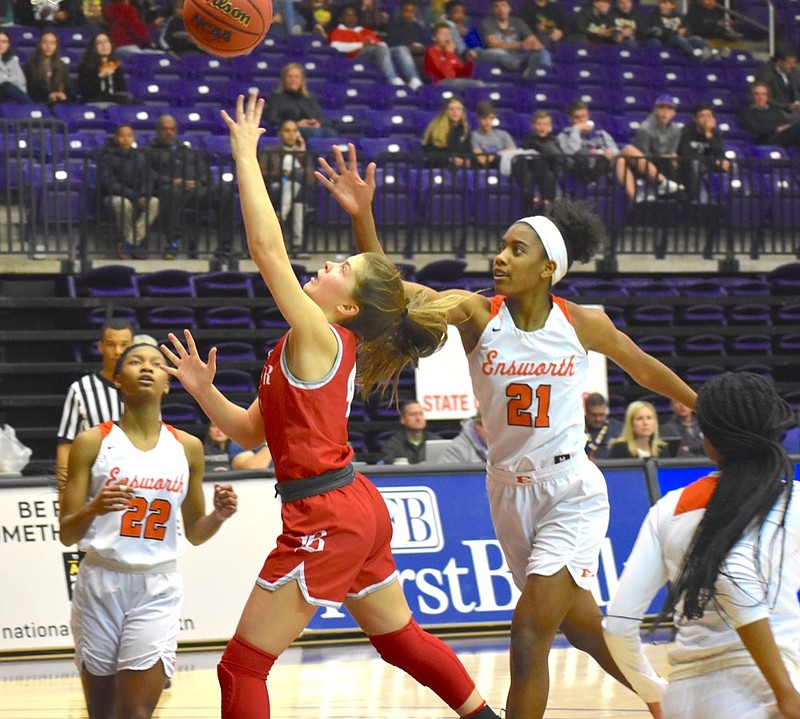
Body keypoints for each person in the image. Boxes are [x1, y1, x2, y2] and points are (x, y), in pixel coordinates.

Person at [318, 142, 697, 719]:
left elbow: (643, 367)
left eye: (516, 250)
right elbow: (396, 301)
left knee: (526, 639)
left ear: (548, 269)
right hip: (508, 493)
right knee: (586, 630)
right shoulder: (476, 313)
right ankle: (670, 704)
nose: (501, 257)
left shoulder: (583, 322)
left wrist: (700, 406)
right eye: (501, 246)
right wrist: (360, 216)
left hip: (570, 493)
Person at [160, 91, 501, 719]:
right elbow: (247, 432)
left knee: (241, 666)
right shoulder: (308, 341)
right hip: (352, 504)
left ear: (347, 307)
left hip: (325, 515)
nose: (323, 264)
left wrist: (244, 151)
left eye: (338, 266)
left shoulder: (319, 336)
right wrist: (204, 391)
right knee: (400, 641)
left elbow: (267, 251)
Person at [602, 372, 800, 719]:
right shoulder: (792, 502)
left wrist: (654, 692)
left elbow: (618, 625)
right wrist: (786, 693)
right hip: (765, 692)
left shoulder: (669, 508)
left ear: (707, 439)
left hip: (683, 696)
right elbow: (734, 575)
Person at [59, 342, 238, 719]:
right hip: (100, 583)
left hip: (156, 586)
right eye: (135, 362)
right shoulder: (92, 442)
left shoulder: (187, 447)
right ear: (118, 379)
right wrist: (95, 507)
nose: (146, 368)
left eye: (157, 364)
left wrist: (218, 516)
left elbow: (194, 531)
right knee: (102, 713)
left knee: (135, 712)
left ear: (167, 384)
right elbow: (67, 533)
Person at [56, 319, 135, 489]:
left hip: (139, 483)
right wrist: (63, 491)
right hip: (92, 486)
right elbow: (65, 444)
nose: (117, 351)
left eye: (124, 345)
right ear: (100, 347)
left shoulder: (144, 388)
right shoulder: (81, 389)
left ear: (133, 346)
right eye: (111, 344)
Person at [146, 113, 234, 260]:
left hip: (194, 191)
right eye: (165, 129)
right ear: (157, 131)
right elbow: (148, 174)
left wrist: (198, 183)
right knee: (170, 191)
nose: (169, 132)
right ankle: (173, 242)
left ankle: (225, 246)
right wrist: (174, 181)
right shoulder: (150, 151)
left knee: (223, 192)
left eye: (172, 129)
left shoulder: (187, 150)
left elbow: (205, 172)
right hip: (168, 191)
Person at [557, 99, 682, 201]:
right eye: (577, 118)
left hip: (602, 165)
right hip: (582, 169)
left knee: (622, 157)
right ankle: (662, 182)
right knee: (625, 152)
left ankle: (634, 201)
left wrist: (611, 153)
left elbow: (614, 149)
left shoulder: (600, 133)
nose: (582, 121)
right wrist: (576, 130)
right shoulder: (564, 136)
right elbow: (573, 153)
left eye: (584, 116)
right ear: (570, 119)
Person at [100, 124, 160, 260]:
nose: (125, 139)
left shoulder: (141, 157)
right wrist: (135, 197)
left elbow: (148, 179)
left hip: (138, 196)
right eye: (122, 136)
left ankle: (129, 243)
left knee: (155, 202)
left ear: (133, 138)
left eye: (129, 136)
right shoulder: (107, 157)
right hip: (113, 196)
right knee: (123, 203)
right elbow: (110, 183)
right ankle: (134, 244)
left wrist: (144, 195)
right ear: (116, 138)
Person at [328, 4, 423, 89]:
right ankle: (393, 79)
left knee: (401, 48)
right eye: (347, 15)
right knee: (380, 49)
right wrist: (362, 45)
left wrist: (374, 45)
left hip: (376, 53)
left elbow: (383, 44)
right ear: (341, 18)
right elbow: (336, 46)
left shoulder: (365, 31)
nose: (351, 18)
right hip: (357, 56)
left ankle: (414, 79)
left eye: (353, 15)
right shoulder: (338, 31)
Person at [258, 118, 313, 258]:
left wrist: (301, 155)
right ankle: (297, 245)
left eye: (295, 131)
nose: (291, 134)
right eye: (287, 131)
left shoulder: (303, 154)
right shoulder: (270, 151)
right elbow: (262, 173)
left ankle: (282, 218)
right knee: (296, 179)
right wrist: (284, 174)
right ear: (280, 134)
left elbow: (311, 180)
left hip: (296, 192)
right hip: (276, 187)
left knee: (299, 199)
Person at [479, 0, 551, 79]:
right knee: (498, 52)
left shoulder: (518, 22)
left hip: (517, 55)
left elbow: (534, 41)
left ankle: (543, 77)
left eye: (504, 5)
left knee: (544, 53)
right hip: (499, 56)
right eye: (497, 6)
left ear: (509, 8)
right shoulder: (487, 23)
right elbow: (493, 45)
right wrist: (520, 45)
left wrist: (535, 46)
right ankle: (523, 68)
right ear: (492, 10)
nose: (501, 10)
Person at [264, 63, 336, 139]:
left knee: (330, 132)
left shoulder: (309, 97)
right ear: (284, 80)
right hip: (290, 129)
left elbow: (319, 116)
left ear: (302, 80)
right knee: (314, 133)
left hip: (312, 128)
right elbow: (271, 118)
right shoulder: (276, 97)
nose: (293, 80)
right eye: (289, 76)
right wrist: (295, 124)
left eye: (296, 77)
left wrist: (318, 123)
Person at [677, 101, 731, 200]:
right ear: (695, 119)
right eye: (702, 116)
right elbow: (688, 154)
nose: (706, 119)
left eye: (709, 116)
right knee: (696, 164)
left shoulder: (715, 133)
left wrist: (708, 134)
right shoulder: (686, 131)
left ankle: (722, 202)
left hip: (708, 167)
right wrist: (713, 162)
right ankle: (696, 201)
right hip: (688, 169)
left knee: (731, 165)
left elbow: (720, 154)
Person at [514, 109, 567, 209]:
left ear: (550, 127)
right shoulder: (527, 141)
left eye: (546, 124)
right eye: (539, 124)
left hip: (552, 174)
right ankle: (535, 198)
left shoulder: (554, 142)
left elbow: (561, 159)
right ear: (533, 126)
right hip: (533, 177)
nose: (542, 127)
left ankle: (554, 200)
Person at [630, 94, 682, 183]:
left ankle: (679, 190)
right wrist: (663, 158)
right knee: (666, 162)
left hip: (666, 164)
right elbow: (643, 157)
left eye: (669, 109)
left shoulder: (675, 130)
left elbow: (672, 152)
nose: (665, 112)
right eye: (661, 107)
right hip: (647, 164)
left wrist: (673, 158)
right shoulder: (645, 128)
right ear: (655, 110)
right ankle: (678, 191)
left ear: (674, 113)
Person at [640, 0, 715, 62]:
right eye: (662, 4)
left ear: (672, 6)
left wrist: (685, 31)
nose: (664, 6)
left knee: (696, 38)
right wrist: (676, 32)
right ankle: (694, 54)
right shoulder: (655, 16)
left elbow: (688, 29)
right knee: (678, 38)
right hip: (667, 40)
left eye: (666, 4)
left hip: (683, 38)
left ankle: (710, 52)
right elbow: (660, 32)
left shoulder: (679, 16)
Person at [738, 81, 800, 150]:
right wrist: (776, 129)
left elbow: (784, 122)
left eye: (764, 94)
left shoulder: (774, 110)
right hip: (766, 139)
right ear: (752, 96)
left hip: (782, 136)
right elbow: (753, 128)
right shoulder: (747, 112)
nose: (760, 97)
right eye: (757, 94)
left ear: (767, 97)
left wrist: (785, 127)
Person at [76, 32, 134, 106]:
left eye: (106, 42)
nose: (104, 45)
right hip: (94, 100)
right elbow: (85, 92)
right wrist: (100, 76)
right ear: (93, 47)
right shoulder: (86, 66)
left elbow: (122, 89)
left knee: (138, 104)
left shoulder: (115, 66)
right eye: (99, 43)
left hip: (114, 100)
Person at [379, 400, 444, 465]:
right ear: (403, 419)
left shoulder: (436, 441)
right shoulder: (392, 445)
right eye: (413, 414)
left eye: (421, 414)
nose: (418, 418)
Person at [22, 30, 75, 106]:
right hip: (39, 103)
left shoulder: (61, 65)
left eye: (52, 43)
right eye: (45, 42)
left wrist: (63, 95)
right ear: (39, 44)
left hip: (60, 103)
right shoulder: (31, 65)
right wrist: (48, 95)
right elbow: (31, 89)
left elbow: (70, 88)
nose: (48, 46)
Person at [385, 0, 428, 90]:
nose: (409, 14)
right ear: (401, 11)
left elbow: (426, 45)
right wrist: (409, 48)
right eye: (406, 11)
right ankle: (414, 79)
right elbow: (391, 45)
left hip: (417, 56)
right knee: (402, 49)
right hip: (398, 55)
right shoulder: (394, 26)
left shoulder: (418, 28)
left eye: (412, 11)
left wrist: (420, 48)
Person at [423, 22, 479, 87]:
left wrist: (469, 61)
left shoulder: (450, 51)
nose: (447, 36)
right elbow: (447, 75)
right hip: (439, 83)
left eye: (448, 34)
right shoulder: (431, 52)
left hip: (454, 81)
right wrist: (449, 54)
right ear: (434, 37)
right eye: (443, 34)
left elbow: (465, 75)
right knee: (477, 85)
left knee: (485, 85)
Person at [421, 95, 472, 166]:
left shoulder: (465, 130)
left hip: (461, 169)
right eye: (451, 109)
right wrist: (449, 159)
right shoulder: (435, 129)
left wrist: (466, 161)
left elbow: (468, 151)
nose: (455, 112)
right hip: (440, 168)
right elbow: (430, 155)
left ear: (462, 112)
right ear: (446, 111)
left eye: (458, 109)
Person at [754, 41, 800, 116]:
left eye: (794, 63)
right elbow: (764, 98)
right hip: (774, 110)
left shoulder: (794, 71)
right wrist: (787, 106)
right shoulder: (765, 73)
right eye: (789, 63)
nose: (792, 65)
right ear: (779, 62)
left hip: (793, 109)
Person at [471, 99, 517, 168]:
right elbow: (482, 159)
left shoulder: (504, 134)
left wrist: (492, 156)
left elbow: (514, 152)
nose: (487, 122)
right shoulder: (473, 136)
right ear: (478, 118)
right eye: (484, 118)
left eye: (491, 118)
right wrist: (502, 154)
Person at [584, 392, 623, 460]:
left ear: (606, 411)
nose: (598, 419)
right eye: (594, 415)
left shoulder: (619, 429)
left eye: (601, 414)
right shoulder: (577, 429)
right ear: (586, 412)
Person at [0, 30, 32, 104]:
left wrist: (7, 79)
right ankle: (33, 107)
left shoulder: (13, 60)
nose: (1, 44)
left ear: (8, 45)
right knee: (7, 86)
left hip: (13, 96)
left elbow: (22, 81)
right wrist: (9, 80)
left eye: (4, 42)